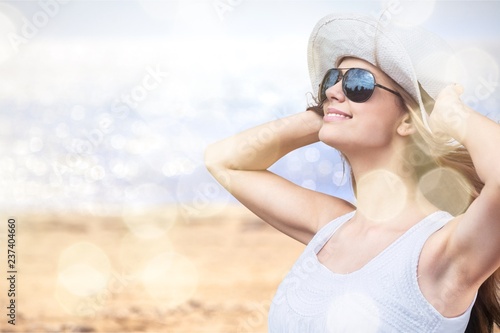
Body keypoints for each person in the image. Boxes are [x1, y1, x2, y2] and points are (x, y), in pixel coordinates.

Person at [204, 12, 500, 333]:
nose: (334, 90)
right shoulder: (331, 227)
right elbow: (222, 160)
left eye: (359, 83)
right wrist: (322, 116)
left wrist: (451, 113)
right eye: (332, 80)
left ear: (408, 121)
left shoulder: (439, 253)